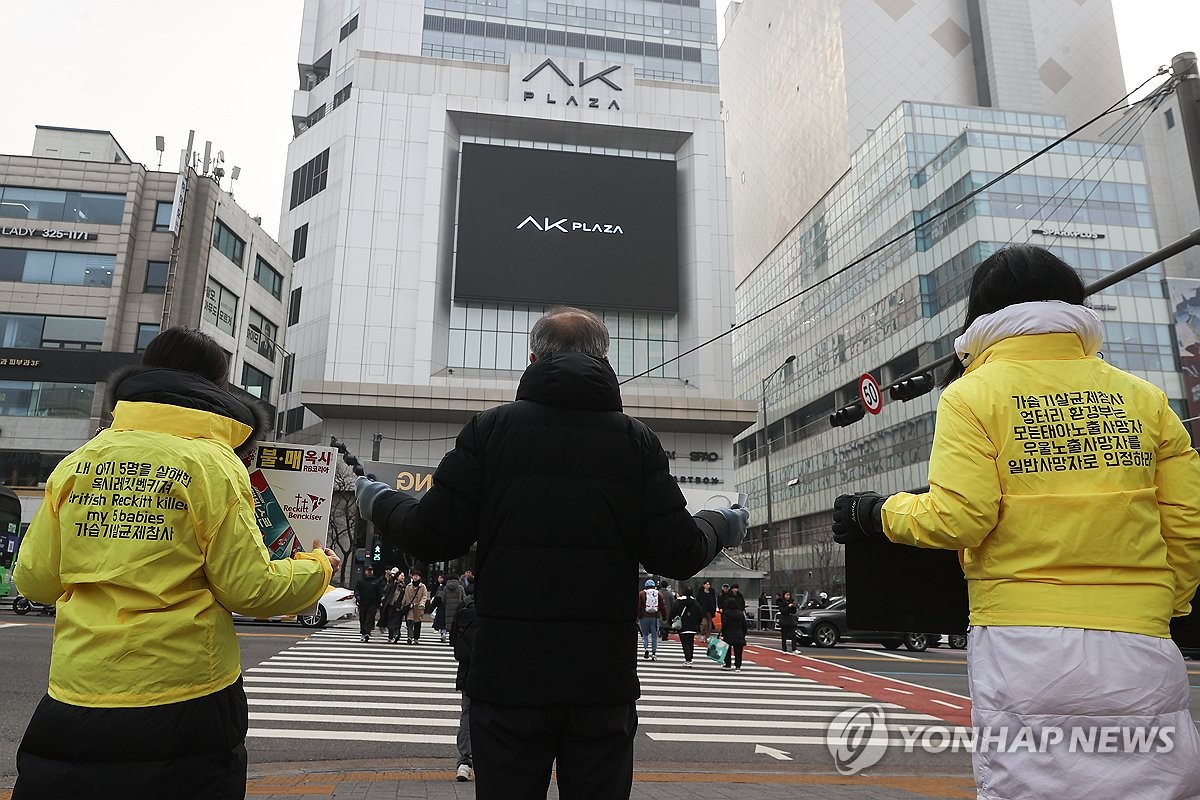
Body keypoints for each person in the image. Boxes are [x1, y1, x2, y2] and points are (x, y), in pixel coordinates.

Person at [831, 245, 1200, 800]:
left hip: (1023, 646)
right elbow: (1186, 524)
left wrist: (877, 513)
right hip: (1140, 641)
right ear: (1075, 307)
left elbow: (959, 518)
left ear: (981, 316)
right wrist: (1163, 604)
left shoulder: (973, 395)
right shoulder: (1143, 399)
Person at [354, 306, 749, 800]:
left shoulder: (490, 432)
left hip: (508, 680)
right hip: (601, 685)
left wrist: (379, 499)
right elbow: (677, 552)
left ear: (533, 358)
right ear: (605, 360)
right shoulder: (636, 442)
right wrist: (723, 522)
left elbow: (434, 535)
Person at [11, 326, 338, 799]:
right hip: (186, 695)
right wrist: (319, 566)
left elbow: (35, 582)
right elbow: (251, 589)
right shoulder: (214, 464)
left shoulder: (81, 460)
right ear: (218, 386)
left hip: (77, 690)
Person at [450, 591, 479, 782]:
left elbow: (454, 639)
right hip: (495, 671)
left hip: (468, 672)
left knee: (467, 716)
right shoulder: (503, 601)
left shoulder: (466, 604)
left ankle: (464, 762)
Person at [669, 585, 704, 667]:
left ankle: (688, 659)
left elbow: (673, 612)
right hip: (692, 626)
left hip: (682, 626)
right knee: (690, 642)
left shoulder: (679, 602)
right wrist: (697, 624)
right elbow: (700, 614)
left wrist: (671, 622)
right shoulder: (695, 603)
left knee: (685, 643)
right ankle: (690, 658)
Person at [637, 579, 667, 660]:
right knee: (654, 636)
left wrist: (638, 616)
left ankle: (646, 649)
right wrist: (664, 617)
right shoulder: (658, 594)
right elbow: (663, 607)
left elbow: (638, 606)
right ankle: (654, 653)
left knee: (645, 635)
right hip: (655, 617)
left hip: (644, 616)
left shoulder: (642, 594)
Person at [353, 564, 383, 642]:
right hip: (362, 603)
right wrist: (357, 596)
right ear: (365, 571)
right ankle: (363, 632)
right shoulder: (360, 581)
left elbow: (379, 592)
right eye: (368, 571)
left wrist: (379, 602)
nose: (369, 572)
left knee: (369, 618)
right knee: (362, 618)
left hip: (373, 604)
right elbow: (356, 590)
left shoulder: (376, 581)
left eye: (371, 571)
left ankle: (367, 632)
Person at [401, 570, 430, 645]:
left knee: (417, 623)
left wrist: (422, 603)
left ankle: (416, 638)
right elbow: (405, 596)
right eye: (414, 575)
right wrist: (403, 605)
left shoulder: (422, 587)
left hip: (418, 608)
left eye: (417, 576)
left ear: (420, 577)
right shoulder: (408, 586)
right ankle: (410, 637)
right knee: (409, 622)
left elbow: (424, 596)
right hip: (410, 607)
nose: (415, 577)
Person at [719, 597, 747, 672]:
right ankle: (738, 666)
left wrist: (722, 634)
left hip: (729, 634)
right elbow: (744, 625)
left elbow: (725, 624)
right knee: (738, 651)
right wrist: (743, 634)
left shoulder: (726, 613)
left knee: (727, 650)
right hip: (739, 634)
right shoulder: (740, 613)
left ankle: (728, 664)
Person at [440, 574, 467, 645]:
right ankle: (455, 640)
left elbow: (443, 599)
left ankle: (450, 639)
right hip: (458, 609)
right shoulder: (460, 588)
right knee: (457, 625)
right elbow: (464, 598)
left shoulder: (446, 588)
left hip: (448, 609)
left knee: (450, 625)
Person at [383, 569, 406, 643]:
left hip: (399, 606)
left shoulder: (404, 586)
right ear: (397, 576)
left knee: (398, 621)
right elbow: (386, 594)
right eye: (401, 575)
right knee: (390, 621)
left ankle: (397, 634)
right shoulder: (392, 585)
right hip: (390, 605)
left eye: (403, 576)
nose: (403, 577)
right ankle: (391, 636)